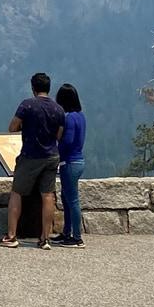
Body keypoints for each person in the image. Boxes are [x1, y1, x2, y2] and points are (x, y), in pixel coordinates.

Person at [0, 72, 65, 251]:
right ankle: (45, 238)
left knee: (17, 192)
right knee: (48, 196)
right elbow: (59, 135)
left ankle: (11, 236)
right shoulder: (58, 109)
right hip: (51, 156)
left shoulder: (27, 105)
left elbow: (12, 128)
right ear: (49, 88)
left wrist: (25, 126)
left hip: (30, 156)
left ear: (33, 87)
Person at [50, 83, 86, 249]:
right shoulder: (80, 116)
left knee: (72, 200)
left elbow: (68, 141)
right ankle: (67, 233)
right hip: (78, 161)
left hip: (69, 162)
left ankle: (77, 237)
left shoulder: (69, 118)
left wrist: (56, 148)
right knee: (66, 198)